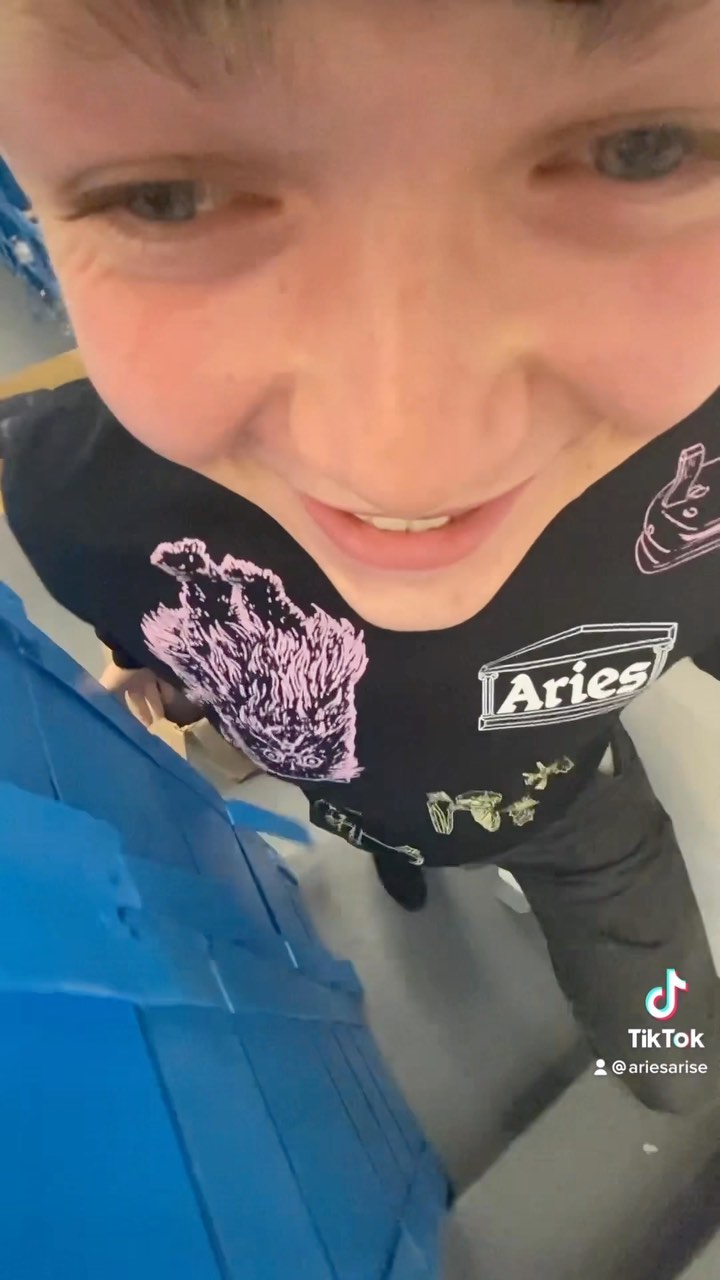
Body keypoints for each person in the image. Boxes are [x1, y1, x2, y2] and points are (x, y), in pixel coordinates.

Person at [1, 0, 720, 1114]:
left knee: (681, 1074)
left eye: (642, 152)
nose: (405, 462)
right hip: (356, 799)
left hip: (578, 813)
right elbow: (146, 643)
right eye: (168, 196)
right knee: (395, 829)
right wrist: (163, 678)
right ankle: (405, 851)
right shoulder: (71, 493)